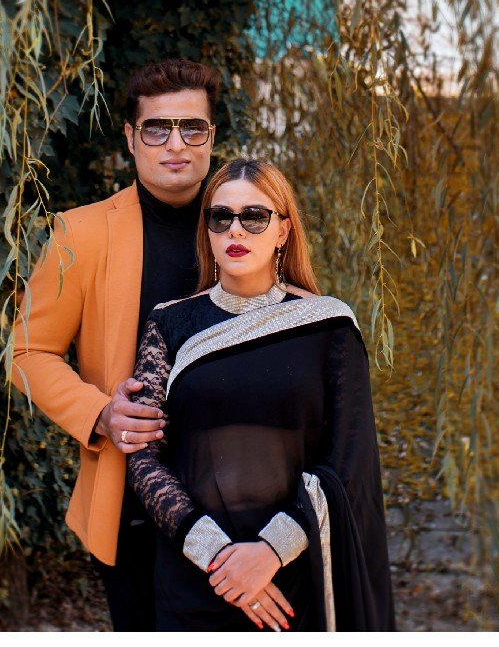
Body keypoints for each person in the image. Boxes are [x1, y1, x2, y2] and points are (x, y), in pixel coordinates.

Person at [11, 58, 289, 631]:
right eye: (157, 128)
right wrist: (100, 414)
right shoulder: (80, 234)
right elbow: (27, 352)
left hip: (248, 508)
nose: (176, 145)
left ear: (212, 137)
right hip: (137, 509)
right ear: (132, 139)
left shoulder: (249, 226)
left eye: (193, 128)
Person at [126, 157, 397, 633]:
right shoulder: (168, 323)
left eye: (255, 216)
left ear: (283, 231)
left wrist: (270, 552)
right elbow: (144, 455)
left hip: (296, 582)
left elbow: (348, 460)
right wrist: (218, 558)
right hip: (195, 579)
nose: (237, 230)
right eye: (221, 216)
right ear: (207, 229)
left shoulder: (328, 326)